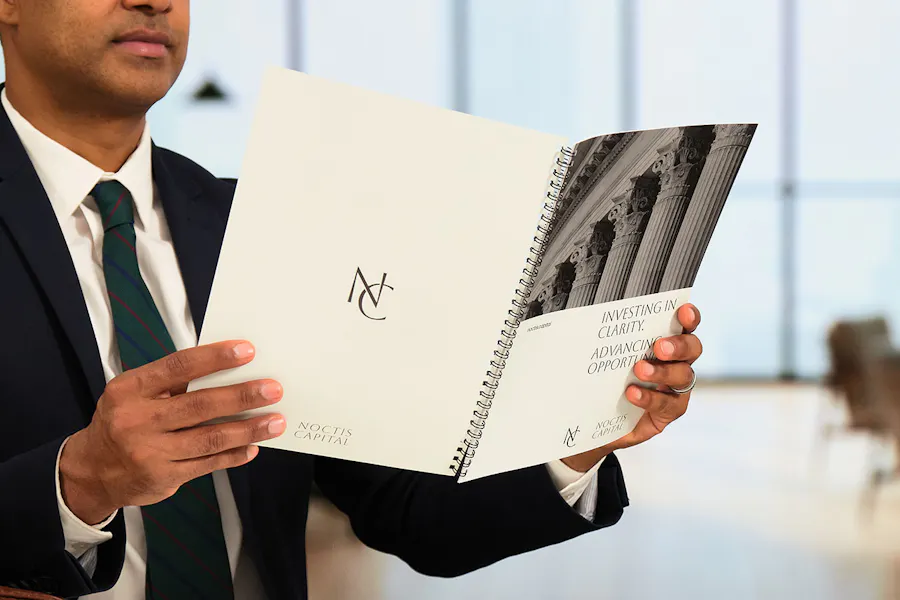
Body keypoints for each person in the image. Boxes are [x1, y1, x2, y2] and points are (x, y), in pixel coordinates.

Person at [0, 1, 704, 599]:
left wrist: (574, 439)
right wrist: (78, 484)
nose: (155, 0)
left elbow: (408, 511)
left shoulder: (262, 222)